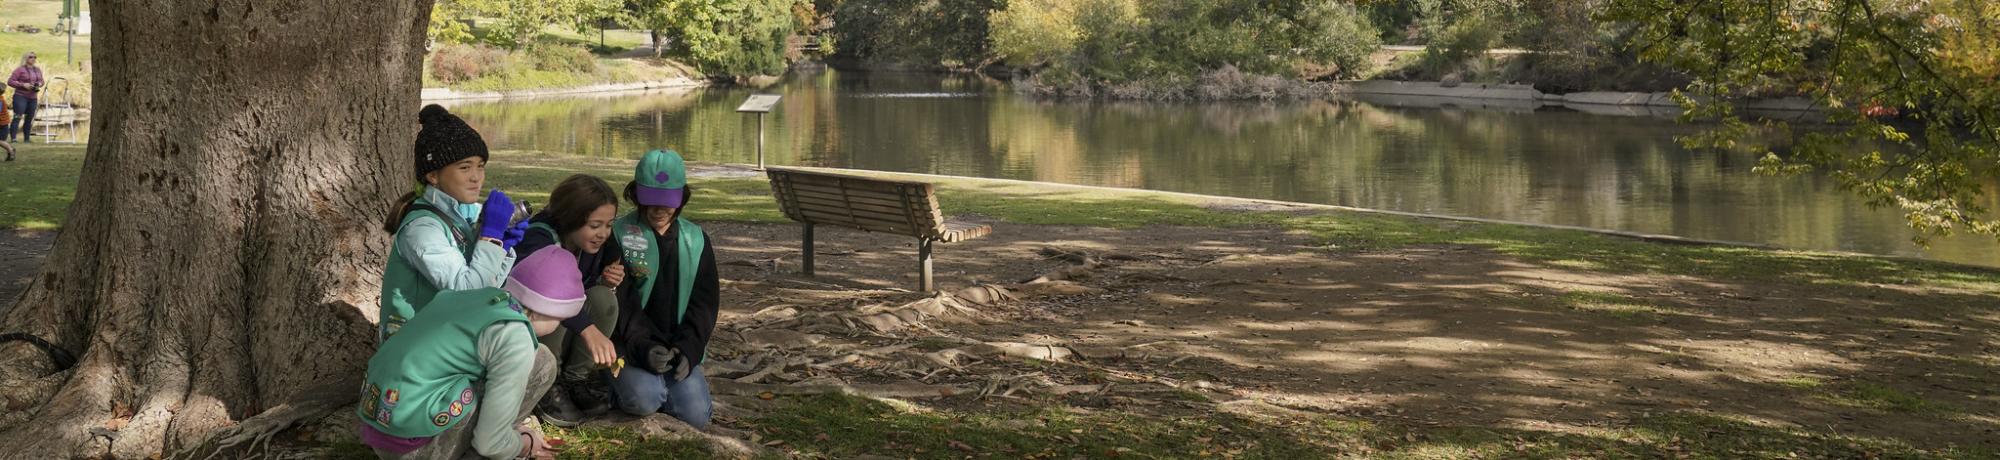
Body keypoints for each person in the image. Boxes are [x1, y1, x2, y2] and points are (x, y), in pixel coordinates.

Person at [355, 246, 584, 460]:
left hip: (377, 421)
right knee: (542, 361)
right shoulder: (515, 337)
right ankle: (502, 436)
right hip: (418, 447)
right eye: (562, 319)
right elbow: (488, 443)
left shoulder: (480, 297)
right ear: (550, 310)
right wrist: (522, 443)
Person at [379, 104, 530, 341]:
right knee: (519, 346)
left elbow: (487, 285)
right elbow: (469, 293)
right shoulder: (421, 229)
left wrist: (503, 245)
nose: (476, 177)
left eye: (480, 166)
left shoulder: (467, 213)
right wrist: (490, 237)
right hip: (415, 346)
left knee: (528, 341)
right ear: (433, 175)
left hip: (448, 331)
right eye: (464, 167)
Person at [606, 149, 720, 428]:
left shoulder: (696, 240)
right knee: (644, 399)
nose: (659, 210)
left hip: (676, 346)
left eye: (667, 201)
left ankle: (667, 385)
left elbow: (705, 304)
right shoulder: (618, 235)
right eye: (650, 201)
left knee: (697, 417)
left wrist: (689, 349)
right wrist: (643, 347)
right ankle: (615, 382)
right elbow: (623, 305)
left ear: (681, 198)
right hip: (629, 346)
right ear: (635, 196)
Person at [518, 174, 628, 427]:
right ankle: (545, 382)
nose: (603, 234)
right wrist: (589, 331)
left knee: (602, 298)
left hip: (562, 327)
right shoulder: (538, 239)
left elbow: (609, 253)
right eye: (595, 225)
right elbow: (552, 292)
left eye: (609, 224)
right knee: (552, 309)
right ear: (571, 218)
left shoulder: (589, 241)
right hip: (523, 330)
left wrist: (609, 274)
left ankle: (575, 379)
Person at [6, 52, 41, 144]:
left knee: (29, 118)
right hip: (20, 96)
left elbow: (41, 80)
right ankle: (13, 139)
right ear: (25, 58)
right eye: (30, 57)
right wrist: (23, 85)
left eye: (34, 57)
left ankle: (27, 139)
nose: (33, 59)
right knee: (17, 117)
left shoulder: (37, 70)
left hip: (33, 97)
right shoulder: (19, 70)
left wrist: (39, 84)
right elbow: (10, 81)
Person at [1, 87, 14, 161]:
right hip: (3, 123)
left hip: (2, 124)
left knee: (0, 140)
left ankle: (11, 150)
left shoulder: (0, 100)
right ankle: (11, 151)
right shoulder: (1, 98)